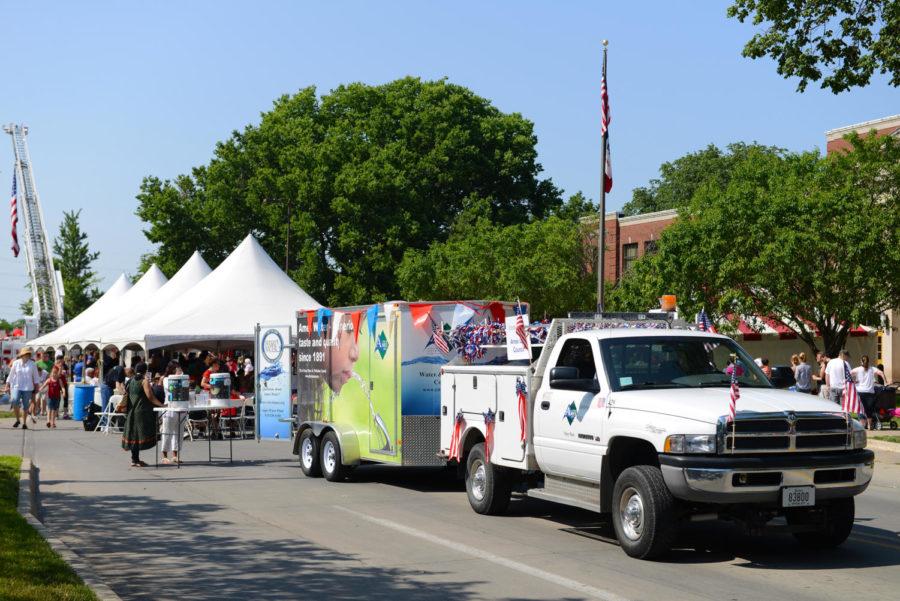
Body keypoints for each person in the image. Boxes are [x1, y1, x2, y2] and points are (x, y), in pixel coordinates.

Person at [121, 362, 165, 467]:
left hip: (131, 411)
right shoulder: (144, 381)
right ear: (145, 371)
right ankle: (135, 460)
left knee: (133, 435)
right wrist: (161, 405)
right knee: (138, 435)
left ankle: (134, 459)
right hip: (141, 412)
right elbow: (150, 396)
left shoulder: (130, 380)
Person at [4, 347, 41, 429]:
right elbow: (11, 375)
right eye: (25, 354)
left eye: (28, 354)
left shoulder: (33, 364)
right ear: (22, 355)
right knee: (14, 401)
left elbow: (35, 377)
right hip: (16, 386)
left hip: (28, 387)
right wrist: (7, 385)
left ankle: (24, 423)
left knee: (26, 406)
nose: (27, 355)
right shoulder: (16, 363)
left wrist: (37, 387)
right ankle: (17, 419)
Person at [160, 361, 185, 464]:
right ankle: (164, 455)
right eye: (177, 369)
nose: (179, 371)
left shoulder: (183, 378)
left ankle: (175, 455)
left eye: (179, 369)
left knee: (179, 432)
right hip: (170, 407)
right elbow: (172, 388)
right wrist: (178, 377)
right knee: (167, 431)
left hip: (181, 407)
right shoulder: (166, 379)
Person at [852, 355, 887, 430]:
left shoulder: (857, 369)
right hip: (870, 392)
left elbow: (848, 374)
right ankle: (869, 425)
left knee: (860, 409)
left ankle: (862, 425)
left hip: (860, 391)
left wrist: (853, 381)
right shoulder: (872, 369)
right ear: (868, 361)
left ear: (861, 361)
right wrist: (885, 382)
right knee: (869, 409)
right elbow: (881, 373)